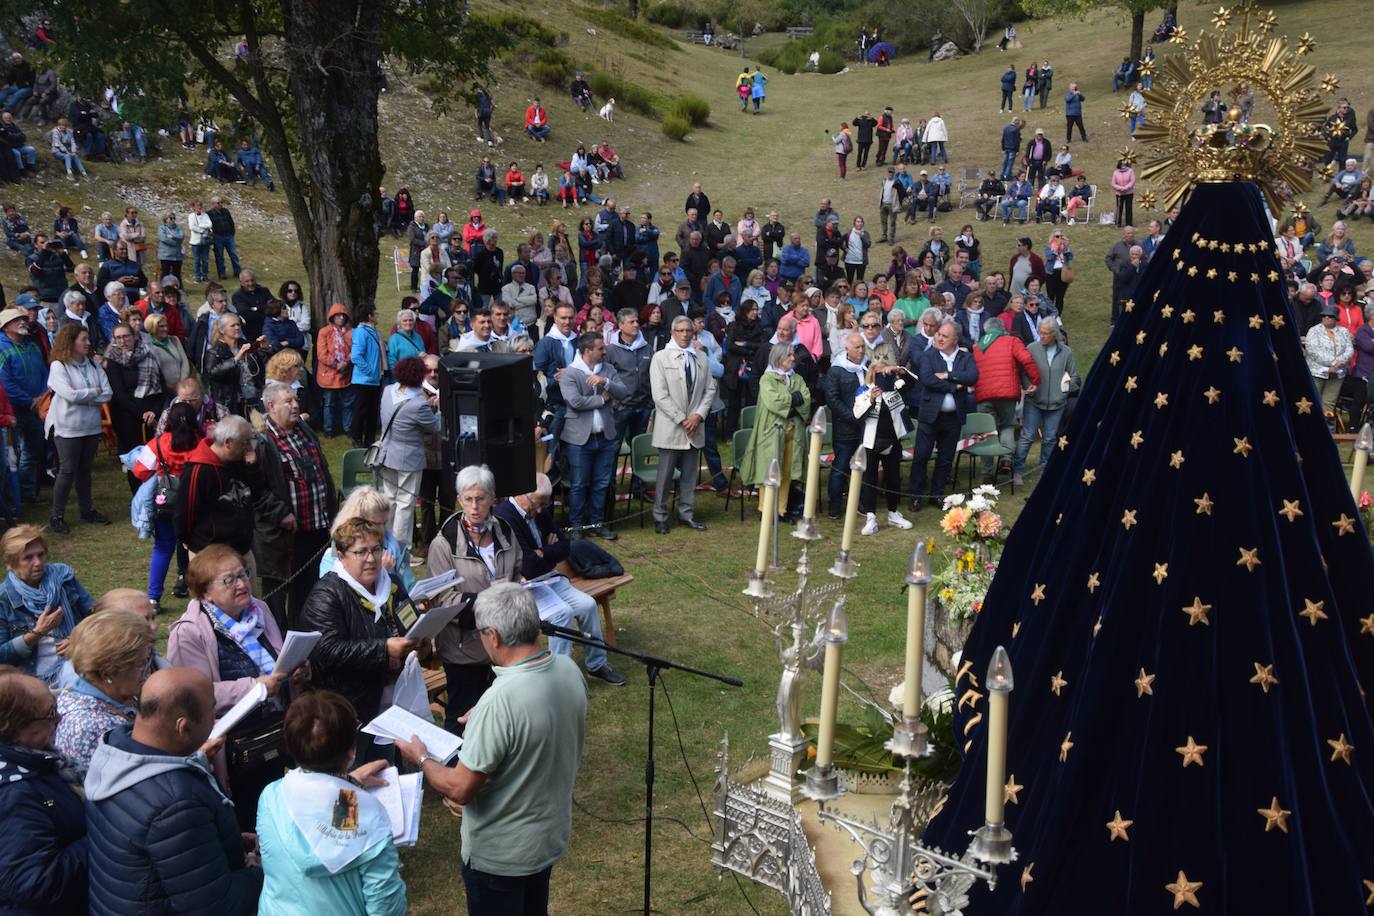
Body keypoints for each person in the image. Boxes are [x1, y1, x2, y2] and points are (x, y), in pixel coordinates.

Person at [396, 582, 584, 915]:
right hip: (546, 841)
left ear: (493, 636)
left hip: (501, 858)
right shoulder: (568, 670)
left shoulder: (499, 702)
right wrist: (485, 723)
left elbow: (460, 789)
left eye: (481, 634)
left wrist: (421, 757)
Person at [83, 667, 263, 916]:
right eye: (213, 710)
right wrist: (258, 870)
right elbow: (218, 907)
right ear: (183, 727)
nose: (217, 719)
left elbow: (168, 852)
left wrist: (227, 837)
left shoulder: (116, 749)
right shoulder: (176, 804)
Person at [167, 542, 296, 822]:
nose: (242, 584)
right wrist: (255, 688)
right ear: (205, 593)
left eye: (244, 574)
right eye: (229, 580)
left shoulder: (259, 610)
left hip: (276, 731)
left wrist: (294, 672)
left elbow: (276, 658)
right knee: (250, 817)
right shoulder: (189, 633)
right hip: (236, 748)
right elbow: (194, 696)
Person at [256, 691, 408, 916]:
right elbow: (386, 907)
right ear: (351, 751)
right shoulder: (370, 814)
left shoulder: (270, 796)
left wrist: (349, 783)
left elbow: (314, 815)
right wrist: (348, 787)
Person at [301, 517, 418, 763]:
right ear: (341, 556)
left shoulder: (391, 583)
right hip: (349, 709)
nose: (371, 558)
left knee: (386, 770)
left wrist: (418, 642)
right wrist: (384, 650)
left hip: (391, 702)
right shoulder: (328, 594)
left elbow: (409, 623)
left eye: (376, 549)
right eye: (361, 552)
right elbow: (326, 650)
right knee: (355, 779)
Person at [494, 476, 624, 683]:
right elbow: (526, 563)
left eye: (543, 505)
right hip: (525, 586)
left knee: (588, 605)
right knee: (561, 615)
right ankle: (559, 680)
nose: (540, 510)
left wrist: (542, 552)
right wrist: (546, 552)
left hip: (550, 578)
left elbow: (565, 547)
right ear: (521, 495)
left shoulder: (538, 509)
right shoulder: (504, 517)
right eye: (537, 504)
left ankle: (597, 665)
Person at [424, 466, 518, 734]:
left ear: (493, 498)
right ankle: (456, 773)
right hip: (464, 650)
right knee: (463, 721)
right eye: (468, 499)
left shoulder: (506, 533)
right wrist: (491, 598)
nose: (474, 506)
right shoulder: (444, 544)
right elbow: (441, 600)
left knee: (500, 718)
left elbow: (518, 570)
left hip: (504, 645)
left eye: (481, 498)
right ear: (458, 500)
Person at [0, 668, 90, 913]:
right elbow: (35, 883)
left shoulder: (34, 760)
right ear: (15, 727)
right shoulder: (13, 791)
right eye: (50, 713)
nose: (60, 718)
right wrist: (101, 834)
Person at [254, 382, 338, 631]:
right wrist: (280, 514)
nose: (295, 405)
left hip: (315, 528)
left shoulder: (303, 430)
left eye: (295, 399)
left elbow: (321, 470)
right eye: (288, 401)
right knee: (277, 600)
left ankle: (306, 644)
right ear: (271, 406)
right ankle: (279, 651)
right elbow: (255, 489)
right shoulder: (261, 441)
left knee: (310, 591)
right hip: (281, 537)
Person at [53, 609, 151, 777]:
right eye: (141, 664)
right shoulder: (88, 728)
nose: (147, 671)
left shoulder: (118, 694)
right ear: (108, 673)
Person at [0, 525, 95, 686]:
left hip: (77, 662)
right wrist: (37, 633)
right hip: (33, 678)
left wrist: (77, 639)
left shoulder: (63, 578)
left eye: (40, 555)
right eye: (28, 558)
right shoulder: (3, 599)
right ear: (10, 563)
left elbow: (95, 616)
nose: (37, 562)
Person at [649, 316, 715, 534]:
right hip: (671, 426)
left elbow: (710, 390)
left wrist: (698, 415)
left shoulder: (702, 358)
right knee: (665, 476)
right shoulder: (660, 358)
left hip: (695, 426)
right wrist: (681, 418)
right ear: (672, 332)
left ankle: (687, 514)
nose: (686, 334)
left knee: (689, 476)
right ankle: (660, 516)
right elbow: (660, 395)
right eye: (681, 330)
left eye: (689, 331)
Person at [45, 323, 112, 534]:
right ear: (70, 341)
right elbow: (68, 395)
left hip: (90, 426)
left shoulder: (93, 364)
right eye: (83, 339)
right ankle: (57, 516)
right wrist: (93, 392)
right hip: (67, 427)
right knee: (67, 470)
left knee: (85, 470)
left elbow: (107, 393)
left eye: (88, 339)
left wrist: (83, 394)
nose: (88, 343)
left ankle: (86, 510)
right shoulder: (59, 366)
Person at [559, 333, 626, 540]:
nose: (604, 351)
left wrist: (605, 382)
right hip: (579, 439)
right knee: (579, 484)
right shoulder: (570, 373)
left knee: (602, 483)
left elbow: (623, 392)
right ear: (588, 351)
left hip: (605, 437)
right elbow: (575, 402)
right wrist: (601, 399)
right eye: (600, 348)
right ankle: (576, 527)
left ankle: (597, 523)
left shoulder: (608, 369)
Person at [375, 358, 441, 558]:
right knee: (404, 504)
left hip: (387, 455)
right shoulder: (418, 404)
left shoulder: (387, 392)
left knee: (390, 500)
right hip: (408, 460)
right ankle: (401, 550)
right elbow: (435, 426)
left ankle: (386, 544)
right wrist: (438, 409)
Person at [910, 319, 978, 510]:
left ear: (955, 340)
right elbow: (928, 379)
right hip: (930, 416)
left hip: (953, 418)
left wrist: (948, 375)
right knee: (921, 456)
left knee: (945, 458)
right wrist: (955, 385)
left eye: (944, 336)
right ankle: (915, 496)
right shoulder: (928, 356)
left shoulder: (965, 357)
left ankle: (937, 494)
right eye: (939, 334)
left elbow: (972, 377)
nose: (939, 338)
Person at [740, 342, 811, 518]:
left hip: (793, 432)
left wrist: (791, 402)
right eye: (789, 355)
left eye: (792, 354)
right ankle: (766, 510)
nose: (793, 358)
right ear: (778, 357)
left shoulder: (797, 378)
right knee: (769, 470)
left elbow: (806, 398)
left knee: (786, 472)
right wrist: (793, 400)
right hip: (771, 432)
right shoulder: (767, 379)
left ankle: (781, 509)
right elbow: (773, 401)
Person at [176, 414, 257, 561]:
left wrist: (252, 467)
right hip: (211, 555)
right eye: (245, 442)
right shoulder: (198, 471)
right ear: (228, 443)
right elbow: (185, 513)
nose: (248, 447)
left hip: (242, 550)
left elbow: (253, 493)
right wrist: (192, 541)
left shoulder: (237, 461)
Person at [972, 317, 1039, 484]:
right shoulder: (1011, 341)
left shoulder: (978, 346)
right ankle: (1006, 459)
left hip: (983, 394)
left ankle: (987, 473)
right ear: (1002, 329)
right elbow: (1026, 359)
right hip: (1007, 392)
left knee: (986, 432)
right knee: (1007, 425)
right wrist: (1035, 380)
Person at [0, 307, 48, 505]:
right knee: (15, 454)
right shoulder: (2, 348)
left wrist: (42, 396)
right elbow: (5, 383)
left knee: (33, 450)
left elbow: (45, 371)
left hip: (36, 406)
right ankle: (15, 496)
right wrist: (30, 401)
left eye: (23, 319)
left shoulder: (32, 344)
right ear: (5, 326)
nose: (23, 322)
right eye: (16, 320)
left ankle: (28, 493)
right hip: (14, 409)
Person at [105, 321, 165, 462]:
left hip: (152, 412)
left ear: (134, 336)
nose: (122, 341)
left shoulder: (149, 354)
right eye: (118, 338)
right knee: (135, 458)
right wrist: (142, 413)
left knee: (155, 455)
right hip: (126, 414)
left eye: (126, 336)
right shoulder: (113, 360)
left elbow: (161, 387)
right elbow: (119, 393)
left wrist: (154, 411)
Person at [1306, 303, 1353, 417]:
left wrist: (1339, 363)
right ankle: (1312, 427)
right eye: (1324, 316)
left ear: (1336, 319)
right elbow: (1312, 350)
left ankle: (1327, 428)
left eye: (1330, 316)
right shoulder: (1314, 330)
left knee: (1329, 402)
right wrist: (1332, 363)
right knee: (1312, 401)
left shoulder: (1344, 331)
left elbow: (1349, 349)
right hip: (1317, 372)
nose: (1326, 318)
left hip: (1338, 373)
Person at [349, 303, 385, 449]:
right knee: (361, 410)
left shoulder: (372, 332)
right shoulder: (361, 332)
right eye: (374, 313)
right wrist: (370, 370)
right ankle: (356, 437)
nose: (377, 316)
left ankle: (369, 439)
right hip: (364, 380)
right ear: (369, 316)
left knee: (372, 411)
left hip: (373, 380)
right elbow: (356, 356)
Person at [315, 303, 354, 438]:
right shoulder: (324, 332)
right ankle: (329, 429)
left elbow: (355, 349)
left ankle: (348, 428)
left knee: (348, 403)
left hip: (346, 372)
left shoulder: (350, 331)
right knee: (329, 404)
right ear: (332, 317)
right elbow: (322, 353)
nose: (341, 318)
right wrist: (336, 364)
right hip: (329, 374)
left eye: (343, 315)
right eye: (338, 316)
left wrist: (347, 362)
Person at [207, 196, 241, 280]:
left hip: (228, 236)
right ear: (213, 204)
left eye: (221, 202)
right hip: (218, 237)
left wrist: (232, 233)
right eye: (218, 203)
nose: (220, 204)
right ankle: (222, 273)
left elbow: (231, 222)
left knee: (233, 254)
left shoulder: (226, 211)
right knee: (220, 256)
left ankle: (237, 272)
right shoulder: (209, 214)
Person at [1111, 160, 1136, 227]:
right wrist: (1120, 188)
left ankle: (1129, 223)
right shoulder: (1115, 172)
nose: (1123, 165)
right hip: (1119, 194)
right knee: (1119, 208)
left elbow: (1132, 181)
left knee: (1128, 208)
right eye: (1122, 164)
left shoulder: (1130, 171)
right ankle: (1118, 223)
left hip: (1129, 193)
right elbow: (1113, 184)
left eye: (1124, 164)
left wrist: (1126, 187)